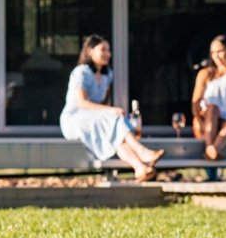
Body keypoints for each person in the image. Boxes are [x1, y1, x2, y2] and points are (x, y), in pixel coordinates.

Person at [60, 34, 165, 181]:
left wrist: (108, 112)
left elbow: (102, 103)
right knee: (115, 118)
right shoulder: (81, 72)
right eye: (103, 49)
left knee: (117, 138)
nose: (108, 54)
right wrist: (110, 111)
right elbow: (82, 103)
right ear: (90, 51)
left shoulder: (107, 75)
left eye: (108, 50)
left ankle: (140, 168)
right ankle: (141, 151)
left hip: (94, 120)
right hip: (75, 120)